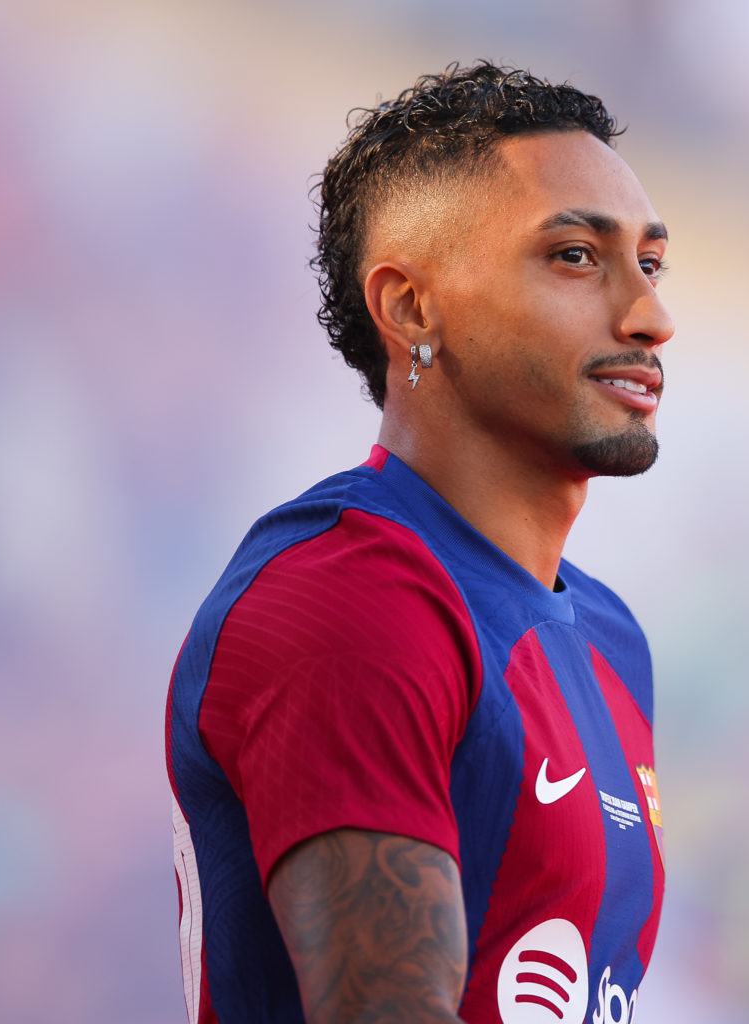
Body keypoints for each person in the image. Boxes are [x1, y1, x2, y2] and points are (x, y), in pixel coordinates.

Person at [165, 62, 674, 1024]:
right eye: (575, 256)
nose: (650, 315)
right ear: (409, 308)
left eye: (650, 264)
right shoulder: (351, 597)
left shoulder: (611, 638)